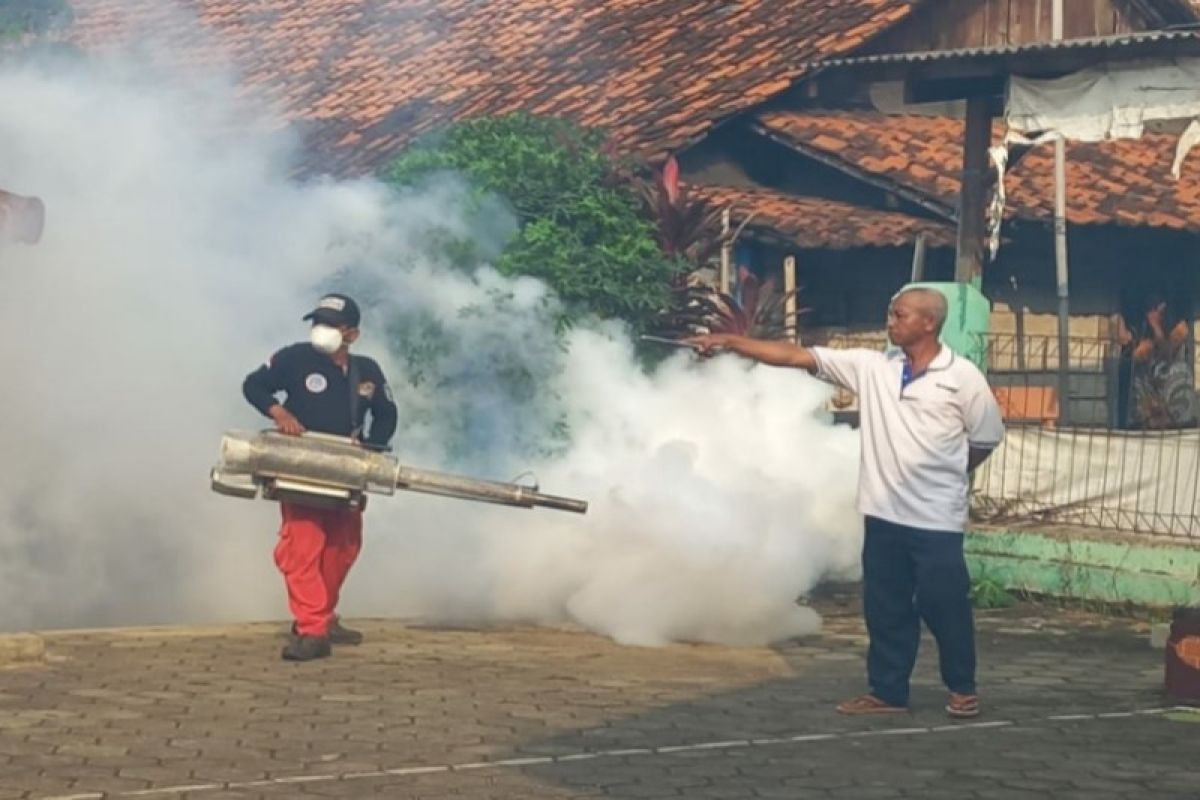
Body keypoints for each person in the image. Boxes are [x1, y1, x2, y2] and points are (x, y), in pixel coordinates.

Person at [687, 288, 1004, 718]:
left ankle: (962, 688)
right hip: (883, 513)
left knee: (943, 604)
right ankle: (888, 692)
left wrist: (945, 473)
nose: (890, 321)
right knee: (885, 609)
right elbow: (797, 357)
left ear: (929, 323)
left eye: (899, 315)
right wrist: (731, 343)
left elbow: (985, 438)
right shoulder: (872, 367)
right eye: (891, 313)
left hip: (936, 520)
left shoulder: (962, 377)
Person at [243, 293, 398, 661]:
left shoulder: (368, 371)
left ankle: (321, 616)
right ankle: (312, 630)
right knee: (303, 545)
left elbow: (387, 413)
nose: (321, 331)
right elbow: (253, 385)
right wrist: (279, 413)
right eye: (318, 322)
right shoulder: (295, 358)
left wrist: (373, 446)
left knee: (343, 548)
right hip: (301, 465)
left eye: (331, 325)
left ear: (352, 335)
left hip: (347, 467)